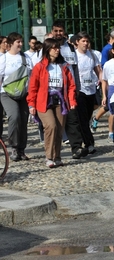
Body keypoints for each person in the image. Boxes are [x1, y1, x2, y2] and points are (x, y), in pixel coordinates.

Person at [27, 38, 77, 167]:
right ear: (48, 49)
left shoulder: (64, 66)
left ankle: (57, 156)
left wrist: (72, 100)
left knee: (59, 129)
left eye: (58, 48)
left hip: (60, 100)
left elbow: (71, 85)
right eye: (54, 48)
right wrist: (31, 104)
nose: (57, 50)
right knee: (51, 126)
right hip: (44, 101)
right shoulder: (40, 66)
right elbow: (33, 87)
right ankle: (49, 157)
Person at [52, 20, 88, 159]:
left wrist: (77, 87)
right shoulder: (48, 46)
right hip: (54, 89)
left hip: (70, 89)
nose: (58, 33)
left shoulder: (71, 48)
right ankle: (53, 151)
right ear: (52, 31)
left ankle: (76, 148)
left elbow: (75, 69)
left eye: (61, 31)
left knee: (73, 118)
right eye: (56, 31)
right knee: (56, 121)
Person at [0, 32, 33, 161]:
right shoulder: (4, 58)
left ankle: (21, 149)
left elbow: (31, 75)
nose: (20, 44)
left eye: (21, 41)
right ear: (11, 43)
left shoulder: (25, 58)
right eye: (18, 42)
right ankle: (13, 146)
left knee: (23, 120)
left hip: (23, 93)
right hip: (6, 93)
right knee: (14, 116)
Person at [74, 31, 102, 154]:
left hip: (91, 89)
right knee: (82, 118)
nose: (86, 43)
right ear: (77, 42)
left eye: (87, 41)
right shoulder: (74, 55)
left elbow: (98, 69)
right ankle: (89, 143)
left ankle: (83, 141)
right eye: (83, 41)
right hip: (79, 90)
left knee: (88, 117)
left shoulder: (92, 55)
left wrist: (101, 79)